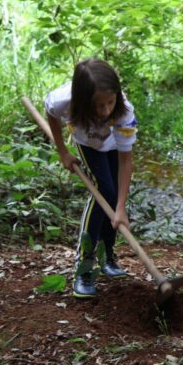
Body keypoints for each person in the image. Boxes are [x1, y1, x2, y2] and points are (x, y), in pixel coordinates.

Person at [44, 58, 138, 299]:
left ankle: (107, 256)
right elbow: (51, 114)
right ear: (84, 101)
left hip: (114, 145)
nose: (106, 111)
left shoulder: (124, 111)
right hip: (88, 143)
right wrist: (63, 151)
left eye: (110, 102)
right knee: (103, 190)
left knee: (115, 195)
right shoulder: (64, 100)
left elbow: (126, 161)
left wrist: (120, 209)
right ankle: (84, 267)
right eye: (98, 105)